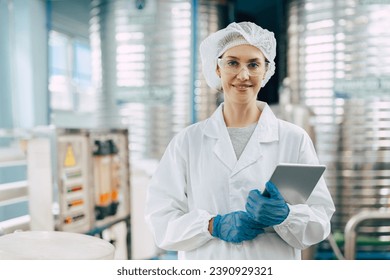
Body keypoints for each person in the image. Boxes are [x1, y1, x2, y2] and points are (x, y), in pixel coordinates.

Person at [145, 21, 335, 260]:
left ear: (266, 71)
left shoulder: (294, 139)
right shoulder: (187, 142)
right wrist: (212, 225)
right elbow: (160, 219)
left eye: (253, 64)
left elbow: (320, 219)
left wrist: (286, 216)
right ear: (217, 69)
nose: (243, 75)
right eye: (232, 62)